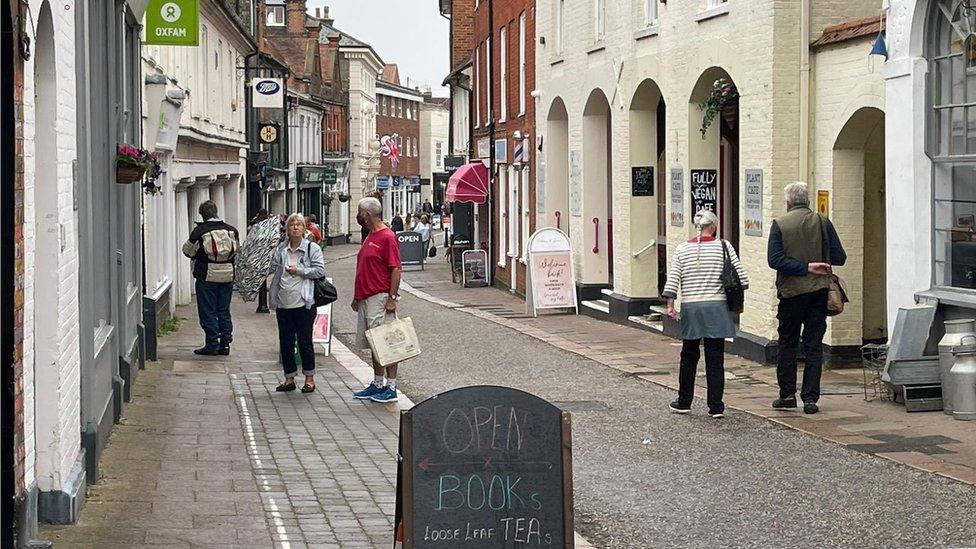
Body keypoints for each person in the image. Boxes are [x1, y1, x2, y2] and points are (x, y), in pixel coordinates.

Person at [767, 182, 847, 415]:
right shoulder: (823, 222)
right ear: (808, 201)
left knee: (787, 343)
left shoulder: (780, 225)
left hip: (791, 294)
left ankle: (787, 395)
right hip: (818, 293)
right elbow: (839, 257)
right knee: (814, 346)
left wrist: (803, 267)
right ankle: (810, 399)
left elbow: (775, 260)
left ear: (788, 202)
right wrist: (817, 263)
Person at [662, 210, 749, 419]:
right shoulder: (724, 247)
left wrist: (670, 305)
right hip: (717, 307)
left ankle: (684, 402)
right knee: (715, 357)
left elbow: (673, 279)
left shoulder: (682, 250)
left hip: (691, 308)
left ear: (696, 226)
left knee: (689, 355)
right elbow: (743, 278)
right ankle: (716, 406)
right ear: (715, 226)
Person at [351, 197, 404, 404]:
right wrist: (357, 297)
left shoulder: (387, 237)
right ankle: (377, 382)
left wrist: (391, 297)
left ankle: (391, 387)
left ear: (367, 214)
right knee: (375, 344)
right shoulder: (371, 235)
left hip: (379, 297)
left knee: (386, 342)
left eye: (359, 212)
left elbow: (396, 268)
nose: (359, 216)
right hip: (366, 297)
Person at [270, 214, 326, 393]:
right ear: (287, 229)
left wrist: (299, 271)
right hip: (283, 302)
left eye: (299, 225)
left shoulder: (312, 248)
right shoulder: (281, 250)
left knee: (304, 341)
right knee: (285, 342)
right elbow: (275, 271)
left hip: (303, 303)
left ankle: (309, 378)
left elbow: (319, 271)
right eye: (292, 225)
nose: (295, 227)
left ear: (304, 229)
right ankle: (289, 378)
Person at [182, 201, 240, 356]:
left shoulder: (199, 231)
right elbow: (237, 250)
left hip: (206, 275)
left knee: (208, 310)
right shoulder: (231, 230)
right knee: (223, 310)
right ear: (216, 212)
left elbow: (187, 251)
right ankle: (225, 343)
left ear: (202, 214)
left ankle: (212, 343)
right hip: (227, 275)